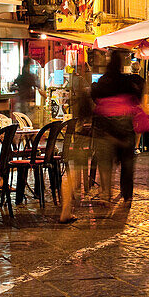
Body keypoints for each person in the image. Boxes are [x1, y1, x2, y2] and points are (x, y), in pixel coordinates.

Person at [91, 49, 142, 205]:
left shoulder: (102, 82)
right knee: (127, 162)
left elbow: (94, 96)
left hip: (104, 126)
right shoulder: (127, 81)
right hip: (124, 126)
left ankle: (106, 193)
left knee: (105, 162)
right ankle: (127, 195)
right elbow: (137, 97)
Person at [59, 63, 95, 224]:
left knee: (71, 174)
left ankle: (67, 209)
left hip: (74, 138)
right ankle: (66, 210)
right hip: (81, 139)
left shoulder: (73, 99)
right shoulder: (86, 99)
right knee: (72, 175)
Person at [11, 60, 44, 125]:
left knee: (21, 120)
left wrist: (19, 89)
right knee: (28, 120)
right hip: (27, 100)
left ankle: (23, 131)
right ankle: (27, 132)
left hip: (21, 100)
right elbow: (37, 86)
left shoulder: (20, 76)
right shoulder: (29, 76)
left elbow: (11, 87)